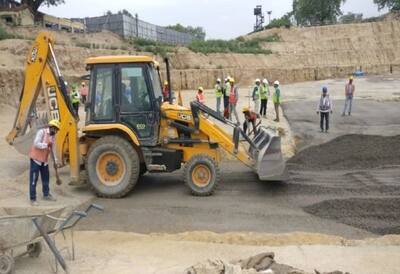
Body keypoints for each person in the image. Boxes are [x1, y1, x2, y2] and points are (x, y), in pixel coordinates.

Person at [29, 119, 60, 206]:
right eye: (56, 129)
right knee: (33, 180)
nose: (56, 131)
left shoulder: (53, 136)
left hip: (44, 161)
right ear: (51, 127)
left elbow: (53, 149)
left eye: (57, 130)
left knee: (46, 179)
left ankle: (46, 195)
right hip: (36, 159)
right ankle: (33, 198)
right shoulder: (41, 132)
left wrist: (56, 161)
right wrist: (46, 145)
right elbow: (36, 143)